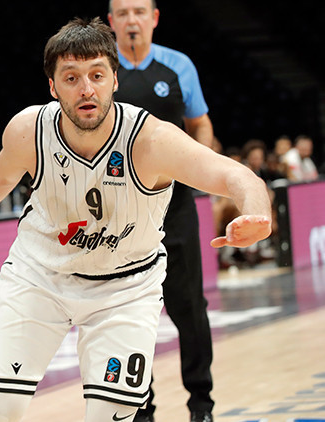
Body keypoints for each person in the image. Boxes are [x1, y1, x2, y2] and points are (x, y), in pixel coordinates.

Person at [0, 17, 271, 422]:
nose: (86, 89)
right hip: (39, 277)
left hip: (125, 289)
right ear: (53, 87)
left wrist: (257, 212)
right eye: (71, 78)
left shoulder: (150, 140)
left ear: (115, 80)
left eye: (97, 75)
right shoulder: (29, 130)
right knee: (1, 409)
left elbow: (235, 175)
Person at [108, 1, 216, 420]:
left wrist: (199, 163)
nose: (131, 20)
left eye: (139, 12)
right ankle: (141, 409)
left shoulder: (178, 66)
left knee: (189, 308)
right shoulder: (101, 70)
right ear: (111, 21)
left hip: (176, 207)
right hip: (120, 215)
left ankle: (201, 404)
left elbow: (200, 123)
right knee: (129, 314)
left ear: (153, 18)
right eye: (122, 13)